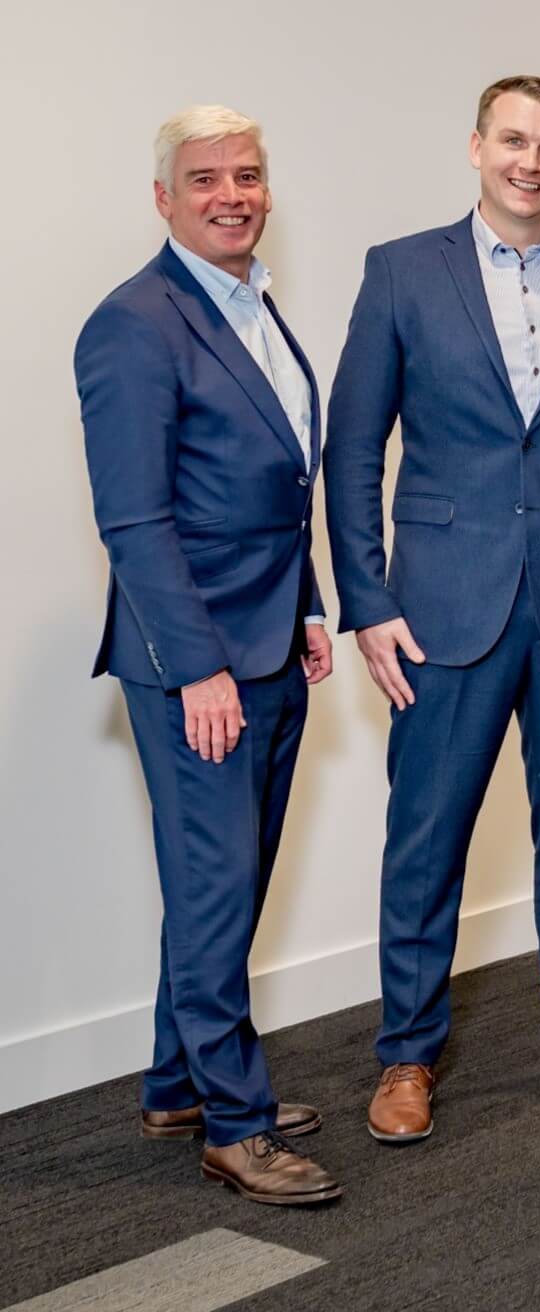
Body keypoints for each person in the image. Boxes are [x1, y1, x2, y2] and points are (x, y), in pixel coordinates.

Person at [325, 75, 540, 1143]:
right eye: (515, 141)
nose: (533, 162)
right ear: (477, 146)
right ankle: (406, 1054)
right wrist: (367, 601)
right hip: (437, 608)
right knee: (425, 838)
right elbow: (351, 448)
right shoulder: (402, 271)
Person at [77, 105, 340, 1205]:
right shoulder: (133, 324)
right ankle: (234, 1125)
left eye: (247, 173)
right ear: (163, 198)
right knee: (218, 883)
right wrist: (197, 667)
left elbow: (281, 485)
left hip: (272, 637)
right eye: (204, 178)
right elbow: (133, 520)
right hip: (197, 662)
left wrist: (312, 605)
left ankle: (177, 1079)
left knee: (216, 885)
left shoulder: (252, 303)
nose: (230, 193)